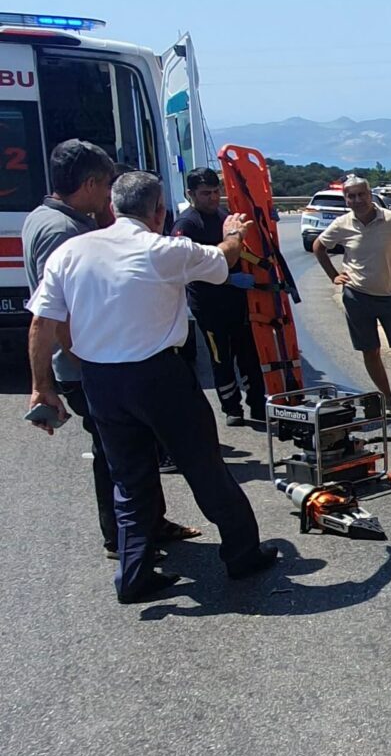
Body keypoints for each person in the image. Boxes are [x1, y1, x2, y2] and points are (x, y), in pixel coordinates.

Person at [27, 172, 278, 603]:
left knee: (128, 479)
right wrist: (233, 232)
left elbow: (42, 322)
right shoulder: (165, 249)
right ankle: (241, 554)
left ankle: (134, 574)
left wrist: (41, 386)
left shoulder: (71, 251)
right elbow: (224, 259)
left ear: (113, 206)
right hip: (159, 377)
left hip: (101, 379)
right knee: (204, 466)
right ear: (159, 211)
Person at [21, 142, 198, 559]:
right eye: (106, 188)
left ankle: (148, 524)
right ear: (90, 183)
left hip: (92, 363)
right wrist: (88, 361)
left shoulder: (46, 217)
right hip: (90, 366)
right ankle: (124, 539)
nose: (109, 199)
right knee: (116, 457)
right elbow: (54, 315)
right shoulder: (63, 232)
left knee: (129, 449)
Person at [312, 176, 391, 417]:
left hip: (390, 298)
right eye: (352, 196)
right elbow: (319, 246)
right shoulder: (342, 224)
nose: (358, 200)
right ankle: (389, 400)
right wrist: (334, 275)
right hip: (357, 297)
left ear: (370, 195)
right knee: (370, 351)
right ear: (346, 199)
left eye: (362, 194)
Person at [173, 167, 266, 425]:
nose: (213, 198)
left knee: (248, 355)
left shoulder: (224, 216)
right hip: (209, 305)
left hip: (236, 302)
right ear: (190, 194)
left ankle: (258, 405)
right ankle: (232, 409)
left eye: (216, 192)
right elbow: (185, 267)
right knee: (220, 358)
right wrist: (226, 278)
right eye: (205, 194)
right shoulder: (187, 224)